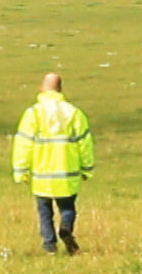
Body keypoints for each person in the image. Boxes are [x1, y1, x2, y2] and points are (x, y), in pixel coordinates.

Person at [11, 72, 95, 255]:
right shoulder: (74, 113)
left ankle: (49, 246)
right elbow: (84, 143)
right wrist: (87, 168)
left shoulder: (33, 114)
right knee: (67, 209)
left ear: (41, 88)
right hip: (67, 174)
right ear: (61, 89)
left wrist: (21, 171)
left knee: (44, 212)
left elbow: (23, 143)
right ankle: (65, 228)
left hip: (42, 176)